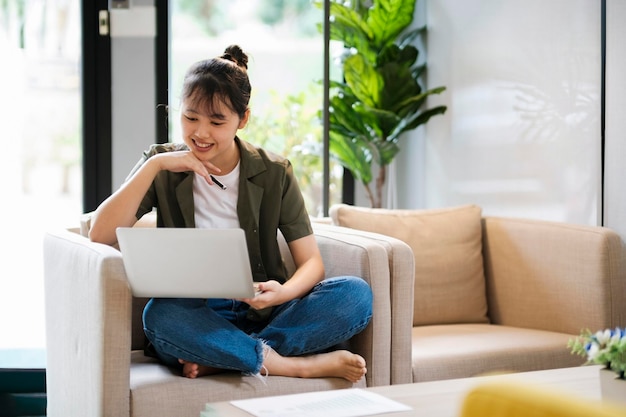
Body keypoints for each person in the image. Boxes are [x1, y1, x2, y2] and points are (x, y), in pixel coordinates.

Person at [88, 45, 373, 383]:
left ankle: (227, 356)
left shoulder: (274, 172)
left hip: (267, 310)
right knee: (160, 316)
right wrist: (155, 165)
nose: (200, 133)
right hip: (198, 314)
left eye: (217, 121)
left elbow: (311, 262)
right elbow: (99, 234)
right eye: (190, 117)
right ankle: (290, 364)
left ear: (244, 119)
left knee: (355, 294)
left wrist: (282, 292)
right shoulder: (162, 164)